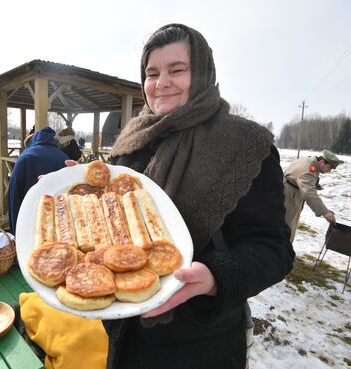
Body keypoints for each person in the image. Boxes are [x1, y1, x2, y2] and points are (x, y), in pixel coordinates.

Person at [102, 24, 294, 369]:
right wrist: (82, 194)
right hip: (124, 331)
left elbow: (274, 249)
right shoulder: (132, 139)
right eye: (152, 73)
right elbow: (113, 214)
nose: (161, 83)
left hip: (201, 343)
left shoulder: (245, 145)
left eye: (177, 70)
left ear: (203, 73)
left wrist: (215, 278)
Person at [8, 127, 68, 234]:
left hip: (28, 218)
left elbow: (14, 196)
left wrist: (15, 230)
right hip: (59, 223)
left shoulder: (24, 158)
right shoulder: (64, 157)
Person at [283, 150, 343, 242]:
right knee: (286, 227)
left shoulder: (310, 160)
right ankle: (280, 251)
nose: (329, 171)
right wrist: (325, 212)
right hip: (289, 196)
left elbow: (300, 177)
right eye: (329, 167)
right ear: (322, 162)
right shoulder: (310, 167)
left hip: (289, 191)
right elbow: (308, 192)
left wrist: (313, 184)